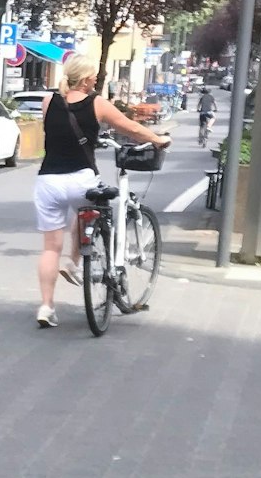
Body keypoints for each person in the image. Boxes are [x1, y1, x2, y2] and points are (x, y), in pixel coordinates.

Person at [32, 55, 169, 328]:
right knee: (89, 210)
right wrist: (157, 139)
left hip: (47, 181)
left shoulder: (49, 101)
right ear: (85, 79)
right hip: (80, 179)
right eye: (94, 76)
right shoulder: (97, 103)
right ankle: (73, 261)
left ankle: (46, 306)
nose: (96, 79)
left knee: (49, 248)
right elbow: (129, 127)